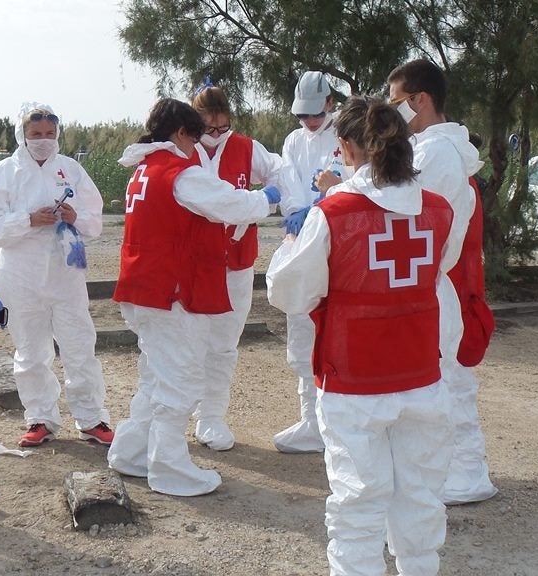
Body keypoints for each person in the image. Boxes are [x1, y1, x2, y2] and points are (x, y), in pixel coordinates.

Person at [267, 95, 456, 576]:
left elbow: (290, 292)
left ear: (346, 147)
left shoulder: (332, 213)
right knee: (420, 493)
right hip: (420, 373)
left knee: (357, 503)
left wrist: (290, 242)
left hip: (353, 377)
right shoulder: (438, 209)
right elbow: (439, 269)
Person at [107, 98, 280, 496]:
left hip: (144, 288)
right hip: (171, 292)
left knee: (156, 375)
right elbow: (230, 204)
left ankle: (131, 450)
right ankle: (169, 467)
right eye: (196, 137)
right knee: (180, 378)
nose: (198, 147)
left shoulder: (143, 170)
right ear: (181, 133)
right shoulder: (179, 173)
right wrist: (267, 197)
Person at [387, 59, 497, 504]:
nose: (392, 112)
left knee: (450, 381)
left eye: (396, 102)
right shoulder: (440, 150)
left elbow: (405, 207)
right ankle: (461, 467)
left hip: (444, 280)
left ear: (420, 100)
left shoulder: (436, 155)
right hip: (446, 278)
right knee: (447, 378)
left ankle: (469, 471)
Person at [0, 102, 113, 448]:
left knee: (80, 346)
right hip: (20, 276)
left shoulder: (71, 169)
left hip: (65, 274)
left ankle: (92, 418)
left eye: (49, 133)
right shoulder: (5, 172)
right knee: (29, 350)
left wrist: (73, 217)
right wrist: (27, 220)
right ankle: (40, 418)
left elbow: (94, 220)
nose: (43, 140)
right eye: (35, 134)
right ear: (21, 135)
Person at [188, 82, 289, 451]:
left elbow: (282, 172)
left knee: (225, 341)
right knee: (190, 340)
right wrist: (255, 201)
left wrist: (273, 197)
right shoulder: (183, 150)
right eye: (207, 128)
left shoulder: (246, 147)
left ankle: (211, 416)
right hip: (194, 261)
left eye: (222, 127)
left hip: (236, 258)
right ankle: (182, 410)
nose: (215, 135)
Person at [273, 70, 345, 454]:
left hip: (337, 237)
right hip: (302, 237)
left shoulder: (345, 132)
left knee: (335, 326)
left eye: (315, 113)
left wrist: (327, 202)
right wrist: (297, 210)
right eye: (303, 115)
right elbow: (288, 179)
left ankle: (337, 418)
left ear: (330, 103)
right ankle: (311, 420)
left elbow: (352, 175)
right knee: (301, 326)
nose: (309, 121)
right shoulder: (294, 140)